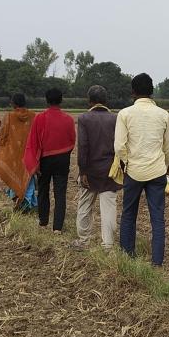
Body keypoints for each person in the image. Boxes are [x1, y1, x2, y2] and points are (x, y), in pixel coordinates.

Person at [115, 73, 169, 266]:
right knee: (157, 218)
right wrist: (166, 167)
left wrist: (127, 163)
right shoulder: (163, 114)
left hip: (133, 171)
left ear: (133, 92)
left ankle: (127, 257)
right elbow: (168, 147)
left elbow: (119, 147)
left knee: (128, 214)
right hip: (157, 171)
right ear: (152, 91)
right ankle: (157, 263)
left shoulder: (125, 114)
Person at [72, 85, 121, 249]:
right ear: (106, 100)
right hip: (110, 171)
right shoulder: (115, 119)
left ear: (90, 101)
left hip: (90, 171)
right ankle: (107, 245)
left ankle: (84, 240)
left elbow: (83, 146)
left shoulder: (84, 118)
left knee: (85, 205)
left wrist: (82, 171)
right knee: (109, 207)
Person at [24, 88, 76, 233]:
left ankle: (43, 222)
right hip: (63, 159)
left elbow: (33, 142)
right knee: (60, 193)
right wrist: (64, 153)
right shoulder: (69, 119)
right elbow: (72, 140)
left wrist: (35, 163)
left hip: (44, 160)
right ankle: (57, 228)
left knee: (43, 190)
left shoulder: (40, 118)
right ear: (61, 100)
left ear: (46, 100)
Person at [0, 93, 36, 211]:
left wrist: (3, 149)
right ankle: (27, 202)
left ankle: (19, 200)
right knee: (28, 179)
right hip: (29, 154)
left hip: (13, 154)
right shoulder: (33, 116)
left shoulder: (9, 116)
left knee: (13, 177)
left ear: (14, 103)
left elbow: (3, 136)